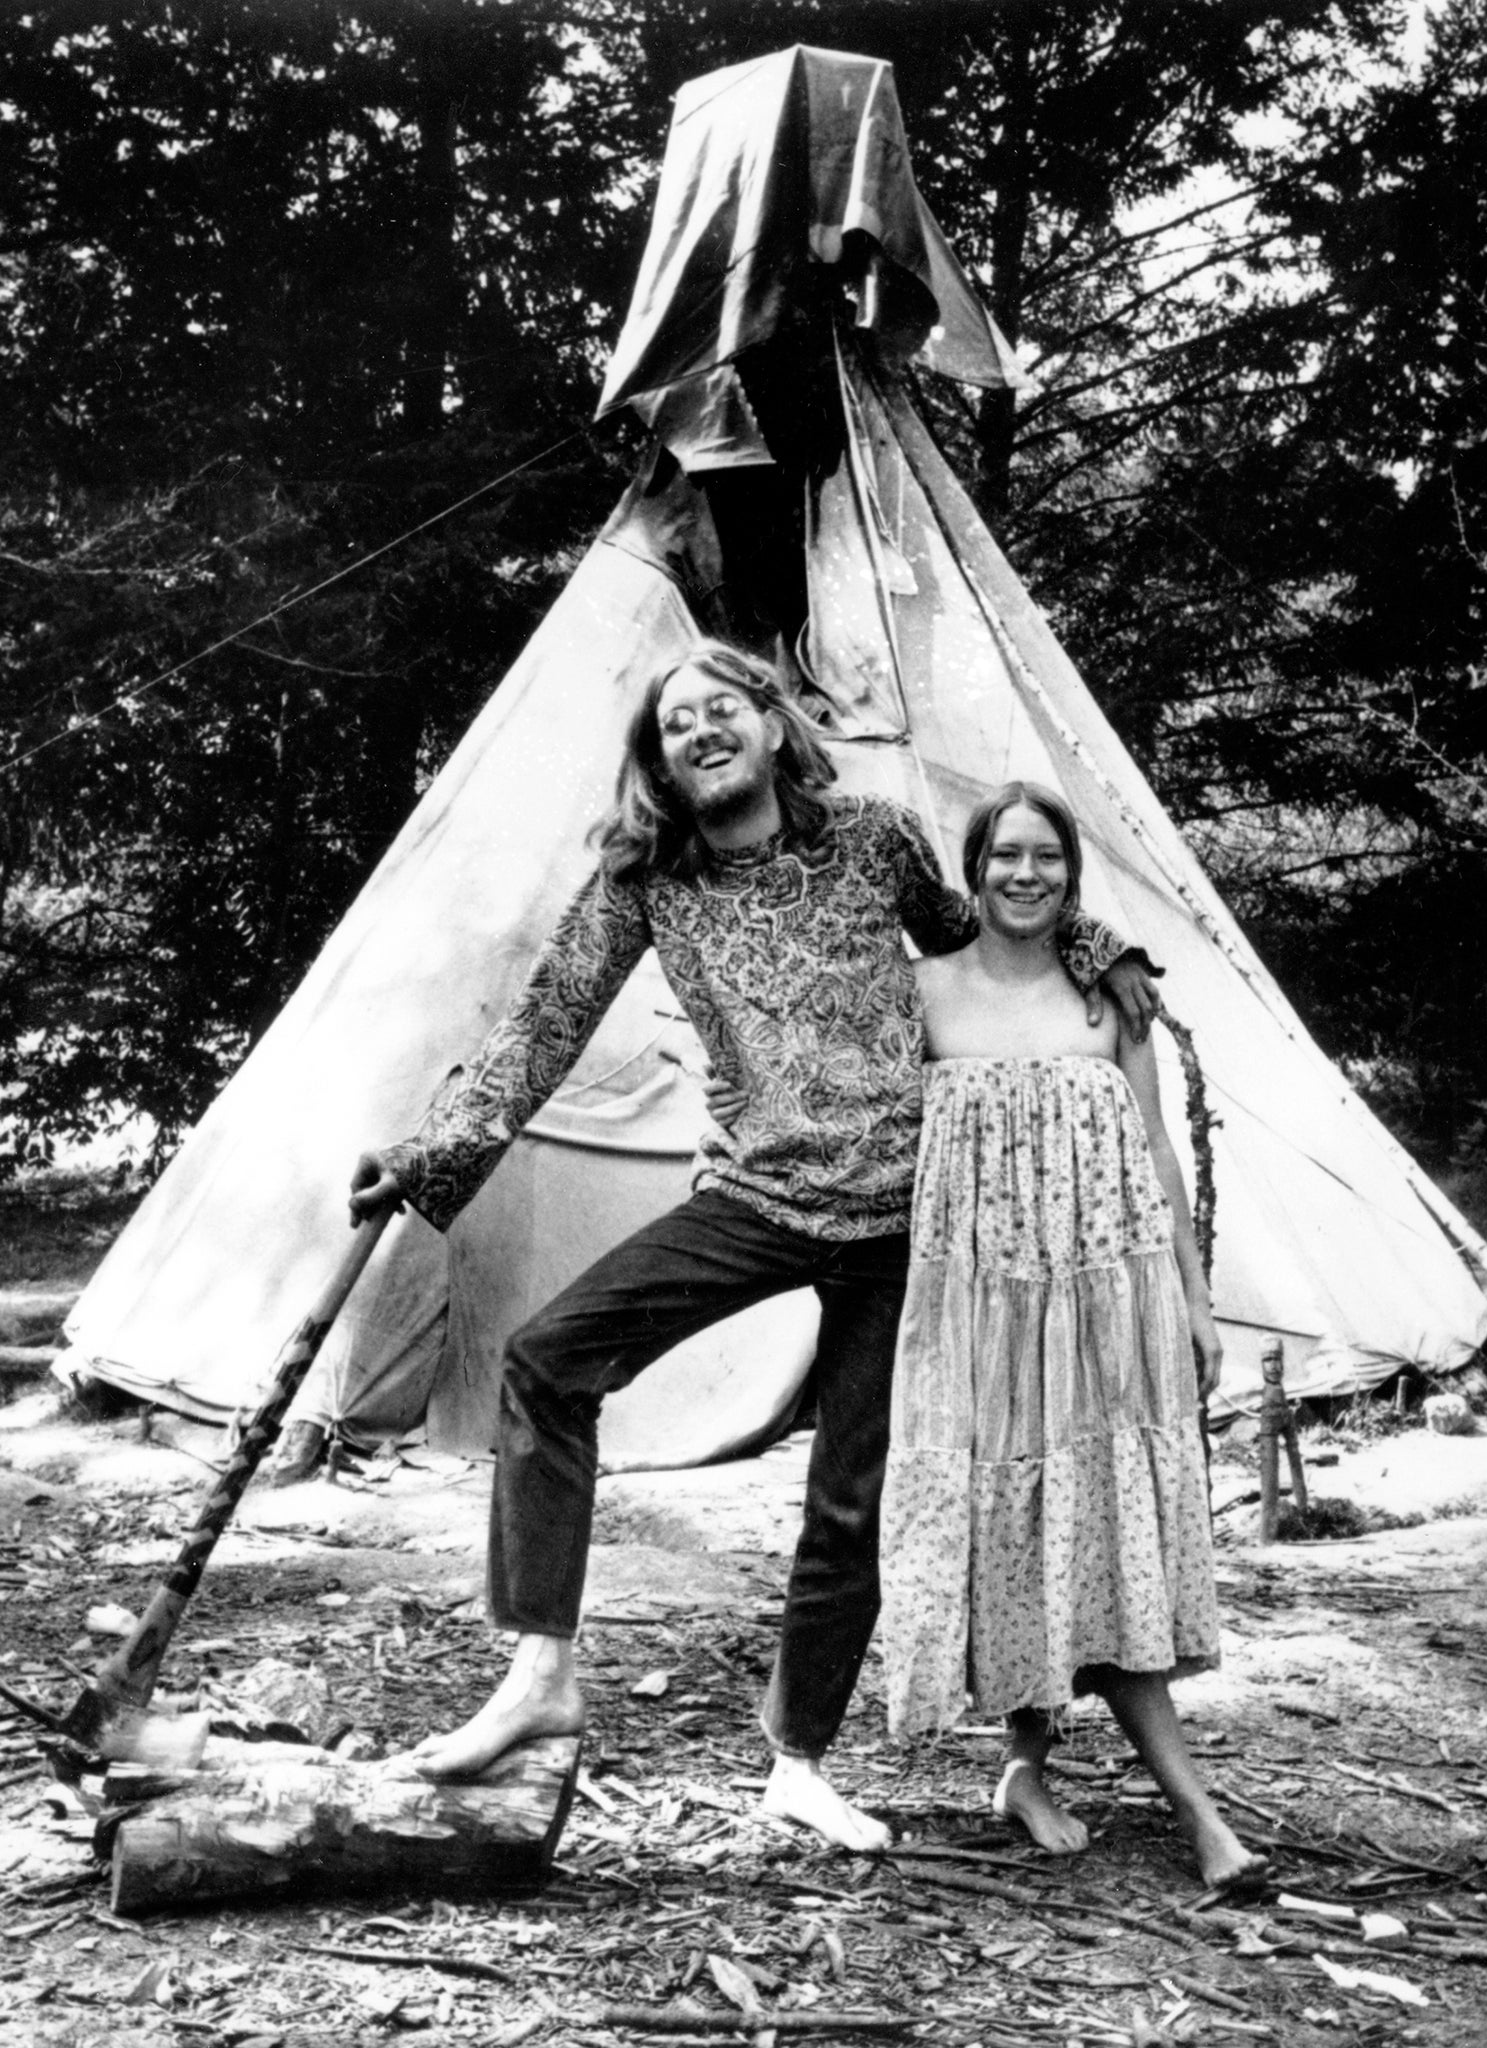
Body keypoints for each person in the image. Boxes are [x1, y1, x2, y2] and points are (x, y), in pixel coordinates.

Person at [349, 644, 1157, 1852]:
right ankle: (539, 1670)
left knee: (852, 1497)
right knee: (547, 1358)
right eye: (676, 722)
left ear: (774, 728)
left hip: (906, 1217)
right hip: (757, 1199)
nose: (701, 728)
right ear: (661, 762)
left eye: (721, 706)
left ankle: (799, 1761)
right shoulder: (647, 881)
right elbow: (542, 1028)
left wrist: (1102, 948)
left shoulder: (876, 838)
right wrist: (433, 1159)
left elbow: (981, 939)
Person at [879, 780, 1265, 1894]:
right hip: (981, 1309)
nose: (1026, 874)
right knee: (1018, 1521)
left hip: (1108, 1301)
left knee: (1099, 1521)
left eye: (1047, 856)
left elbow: (1156, 1148)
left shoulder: (1109, 1001)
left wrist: (1193, 1300)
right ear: (973, 865)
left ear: (1073, 875)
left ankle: (1188, 1807)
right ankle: (1033, 1768)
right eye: (1005, 854)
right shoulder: (923, 996)